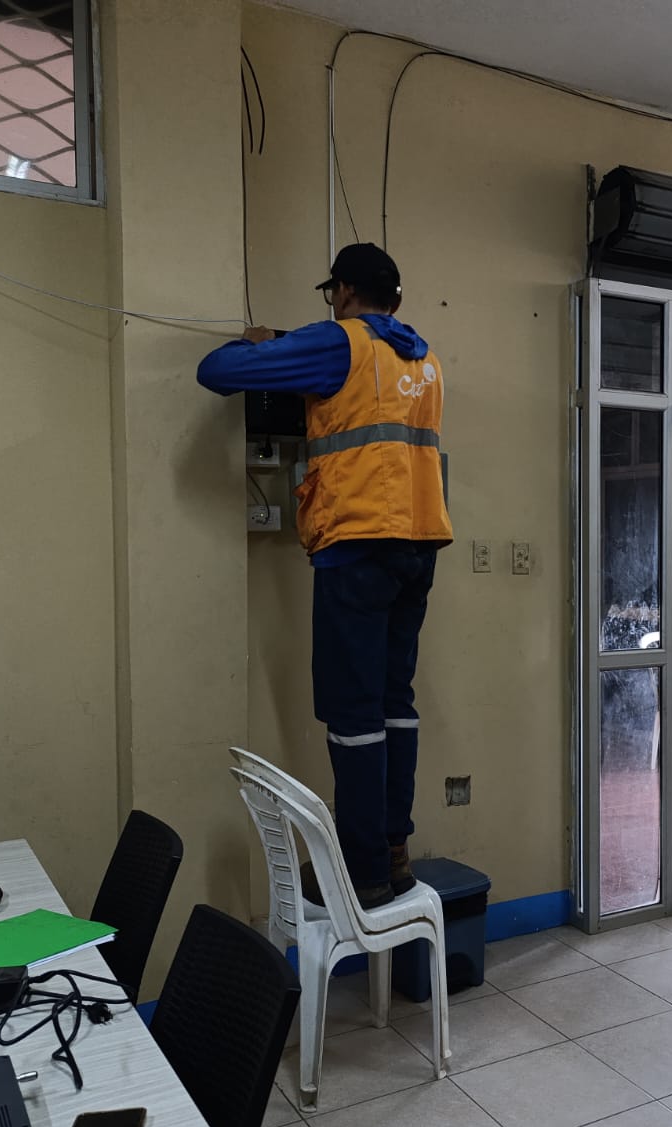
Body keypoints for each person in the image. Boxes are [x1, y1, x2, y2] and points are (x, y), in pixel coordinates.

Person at [196, 243, 452, 909]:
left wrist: (257, 345)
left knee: (351, 713)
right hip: (418, 545)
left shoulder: (340, 344)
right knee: (395, 705)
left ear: (344, 291)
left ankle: (361, 872)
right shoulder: (424, 361)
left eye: (332, 293)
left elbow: (216, 371)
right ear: (396, 298)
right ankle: (393, 854)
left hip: (358, 546)